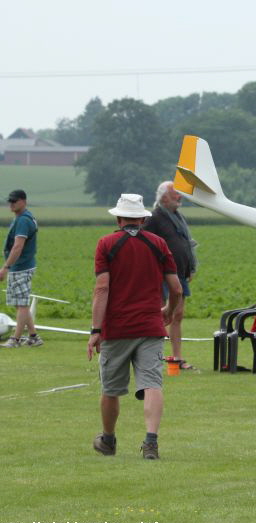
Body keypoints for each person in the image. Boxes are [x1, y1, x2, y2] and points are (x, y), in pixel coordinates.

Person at [87, 194, 182, 460]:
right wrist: (169, 311)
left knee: (111, 389)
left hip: (116, 329)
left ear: (118, 218)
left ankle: (108, 440)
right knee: (152, 383)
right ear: (142, 219)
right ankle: (151, 442)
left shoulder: (106, 244)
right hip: (151, 326)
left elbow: (102, 288)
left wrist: (96, 331)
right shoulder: (158, 244)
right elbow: (175, 288)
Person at [143, 181, 198, 370]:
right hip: (161, 274)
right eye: (176, 193)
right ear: (164, 197)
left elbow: (186, 243)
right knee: (163, 314)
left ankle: (176, 357)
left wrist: (189, 267)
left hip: (179, 272)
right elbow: (146, 245)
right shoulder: (154, 217)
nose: (179, 196)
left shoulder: (177, 216)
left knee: (178, 315)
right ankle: (154, 357)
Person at [0, 189, 42, 348]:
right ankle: (33, 336)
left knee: (22, 304)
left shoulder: (23, 220)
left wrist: (5, 267)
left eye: (14, 201)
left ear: (23, 201)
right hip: (21, 266)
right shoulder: (23, 218)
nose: (11, 204)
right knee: (20, 303)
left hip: (21, 267)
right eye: (9, 201)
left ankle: (15, 339)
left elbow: (17, 247)